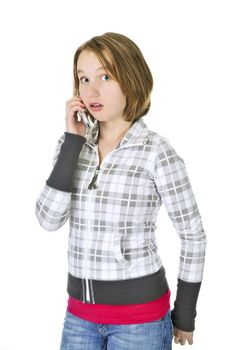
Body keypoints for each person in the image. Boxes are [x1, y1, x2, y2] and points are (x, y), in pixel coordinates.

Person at [35, 32, 207, 349]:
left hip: (140, 323)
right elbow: (48, 219)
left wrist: (184, 314)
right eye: (83, 79)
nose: (92, 90)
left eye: (105, 76)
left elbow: (193, 234)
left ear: (131, 77)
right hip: (78, 319)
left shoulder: (156, 151)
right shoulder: (73, 146)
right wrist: (73, 141)